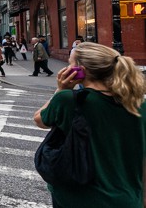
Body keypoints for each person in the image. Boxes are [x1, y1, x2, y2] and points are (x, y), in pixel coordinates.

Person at [33, 42, 146, 207]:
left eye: (70, 63)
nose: (66, 67)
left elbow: (39, 120)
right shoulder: (138, 104)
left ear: (80, 70)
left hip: (80, 199)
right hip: (127, 199)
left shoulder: (69, 100)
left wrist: (61, 89)